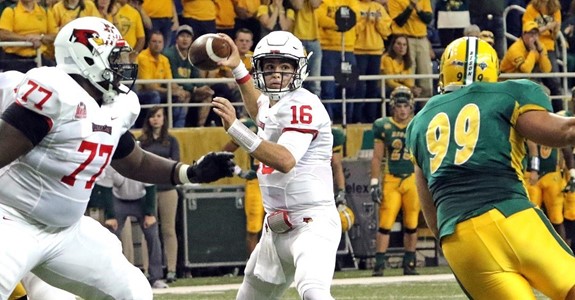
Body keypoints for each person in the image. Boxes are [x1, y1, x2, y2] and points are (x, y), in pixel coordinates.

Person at [0, 16, 235, 299]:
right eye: (114, 57)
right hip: (12, 222)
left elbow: (132, 160)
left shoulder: (111, 106)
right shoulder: (56, 94)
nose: (123, 65)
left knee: (134, 291)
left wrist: (190, 172)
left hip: (66, 232)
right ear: (86, 57)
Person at [406, 36, 575, 299]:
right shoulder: (508, 93)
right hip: (509, 216)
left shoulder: (418, 122)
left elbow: (429, 206)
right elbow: (562, 132)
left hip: (458, 240)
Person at [213, 30, 341, 299]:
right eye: (269, 67)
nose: (277, 74)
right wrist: (237, 66)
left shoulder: (304, 104)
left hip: (311, 223)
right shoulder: (275, 103)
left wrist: (236, 129)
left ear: (299, 70)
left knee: (313, 292)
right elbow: (258, 109)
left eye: (285, 67)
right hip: (275, 230)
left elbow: (285, 160)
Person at [369, 86, 420, 277]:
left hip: (412, 179)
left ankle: (410, 263)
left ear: (411, 106)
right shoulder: (384, 125)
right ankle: (379, 265)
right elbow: (377, 157)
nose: (402, 110)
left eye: (405, 105)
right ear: (393, 107)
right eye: (399, 106)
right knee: (385, 223)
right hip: (391, 179)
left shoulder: (417, 124)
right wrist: (375, 181)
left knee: (412, 223)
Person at [104, 167, 168, 289]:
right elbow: (106, 189)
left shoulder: (142, 163)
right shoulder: (111, 165)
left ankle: (156, 277)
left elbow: (151, 187)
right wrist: (110, 216)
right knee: (110, 238)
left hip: (142, 199)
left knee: (152, 236)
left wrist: (149, 214)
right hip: (118, 199)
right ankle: (111, 278)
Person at [137, 106, 181, 283]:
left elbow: (175, 163)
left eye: (159, 116)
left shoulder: (171, 141)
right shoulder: (143, 141)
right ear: (148, 120)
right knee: (148, 230)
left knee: (168, 230)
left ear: (164, 119)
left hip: (168, 189)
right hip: (148, 190)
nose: (156, 119)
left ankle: (171, 269)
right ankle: (147, 269)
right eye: (153, 116)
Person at [221, 116, 263, 256]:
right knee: (253, 229)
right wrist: (239, 172)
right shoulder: (251, 127)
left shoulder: (287, 121)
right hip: (257, 182)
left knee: (283, 227)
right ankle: (255, 269)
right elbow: (224, 154)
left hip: (281, 180)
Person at [162, 24, 215, 127]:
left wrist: (203, 87)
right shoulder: (169, 54)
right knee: (185, 94)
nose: (185, 39)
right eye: (182, 36)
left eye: (188, 36)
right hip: (171, 88)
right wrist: (194, 89)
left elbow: (196, 76)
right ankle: (178, 126)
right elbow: (175, 77)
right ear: (176, 39)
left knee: (207, 95)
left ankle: (200, 127)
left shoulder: (192, 55)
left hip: (188, 88)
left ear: (192, 40)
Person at [135, 30, 190, 128]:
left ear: (163, 44)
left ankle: (177, 129)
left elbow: (170, 82)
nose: (157, 45)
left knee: (180, 96)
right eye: (154, 41)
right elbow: (148, 86)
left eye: (160, 42)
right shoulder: (142, 57)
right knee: (155, 95)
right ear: (148, 43)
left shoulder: (164, 59)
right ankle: (153, 128)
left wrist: (178, 90)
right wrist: (170, 91)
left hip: (159, 91)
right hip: (142, 93)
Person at [354, 0, 391, 124]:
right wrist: (365, 21)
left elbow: (387, 31)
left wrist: (377, 21)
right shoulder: (354, 5)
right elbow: (352, 30)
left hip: (376, 51)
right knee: (358, 87)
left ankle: (371, 119)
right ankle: (356, 118)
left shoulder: (379, 8)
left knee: (373, 87)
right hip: (358, 51)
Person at [387, 0, 434, 98]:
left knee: (426, 79)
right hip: (405, 40)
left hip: (422, 38)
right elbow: (399, 21)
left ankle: (427, 110)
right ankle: (408, 109)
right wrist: (410, 7)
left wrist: (417, 7)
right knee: (409, 80)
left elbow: (428, 19)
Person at [0, 0, 58, 72]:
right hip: (14, 59)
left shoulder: (45, 12)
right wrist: (27, 39)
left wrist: (41, 37)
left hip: (39, 57)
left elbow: (55, 35)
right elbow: (3, 34)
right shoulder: (10, 11)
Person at [500, 21, 553, 96]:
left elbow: (547, 69)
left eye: (535, 34)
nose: (534, 37)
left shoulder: (540, 46)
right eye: (531, 33)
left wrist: (541, 52)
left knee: (545, 93)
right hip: (508, 80)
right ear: (523, 34)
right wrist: (532, 51)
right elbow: (525, 70)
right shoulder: (515, 48)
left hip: (526, 80)